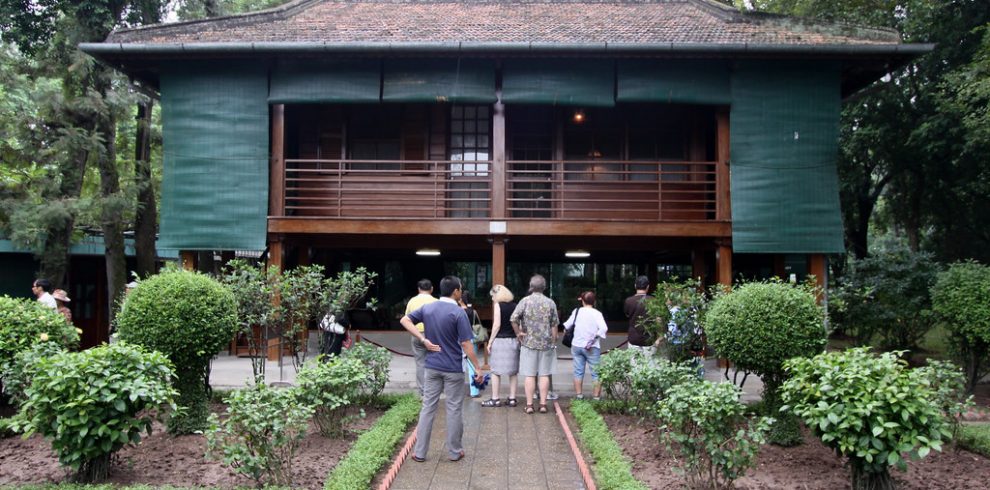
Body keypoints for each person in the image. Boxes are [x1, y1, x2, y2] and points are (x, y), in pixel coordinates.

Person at [400, 276, 484, 463]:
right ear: (455, 291)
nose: (461, 292)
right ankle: (454, 451)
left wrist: (423, 339)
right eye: (460, 289)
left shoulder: (429, 307)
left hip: (432, 366)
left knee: (428, 408)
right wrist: (477, 367)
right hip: (453, 368)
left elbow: (405, 320)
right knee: (453, 409)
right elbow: (466, 344)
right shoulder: (458, 313)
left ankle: (420, 452)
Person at [511, 274, 559, 414]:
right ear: (544, 287)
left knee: (530, 375)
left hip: (528, 343)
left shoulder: (524, 301)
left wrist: (518, 333)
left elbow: (513, 318)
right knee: (544, 374)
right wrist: (554, 339)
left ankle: (530, 405)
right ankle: (543, 404)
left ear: (531, 287)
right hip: (546, 344)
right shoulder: (550, 302)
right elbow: (554, 324)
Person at [562, 291, 608, 400]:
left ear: (582, 301)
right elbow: (604, 328)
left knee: (578, 371)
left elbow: (567, 325)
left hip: (577, 346)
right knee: (596, 373)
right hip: (592, 347)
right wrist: (594, 338)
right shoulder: (597, 313)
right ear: (594, 301)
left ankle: (579, 396)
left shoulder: (577, 311)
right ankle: (596, 398)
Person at [482, 284, 519, 408]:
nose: (492, 299)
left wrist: (490, 341)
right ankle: (512, 398)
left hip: (500, 341)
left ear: (497, 295)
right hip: (513, 341)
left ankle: (495, 399)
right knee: (513, 372)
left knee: (495, 372)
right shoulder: (515, 305)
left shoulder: (498, 306)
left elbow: (497, 324)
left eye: (493, 296)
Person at [405, 279, 437, 395]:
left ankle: (423, 390)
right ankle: (434, 388)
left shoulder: (412, 301)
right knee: (435, 361)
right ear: (432, 289)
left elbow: (407, 319)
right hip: (433, 335)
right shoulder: (436, 301)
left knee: (420, 362)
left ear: (418, 289)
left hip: (417, 335)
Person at [459, 290, 484, 398]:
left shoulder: (458, 311)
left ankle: (458, 390)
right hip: (472, 339)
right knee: (472, 365)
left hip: (459, 340)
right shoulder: (473, 311)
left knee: (459, 366)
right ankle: (474, 391)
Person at [624, 275, 656, 356]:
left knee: (634, 365)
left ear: (635, 286)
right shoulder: (654, 300)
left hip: (633, 337)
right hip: (649, 338)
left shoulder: (628, 301)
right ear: (648, 287)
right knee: (649, 366)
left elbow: (627, 314)